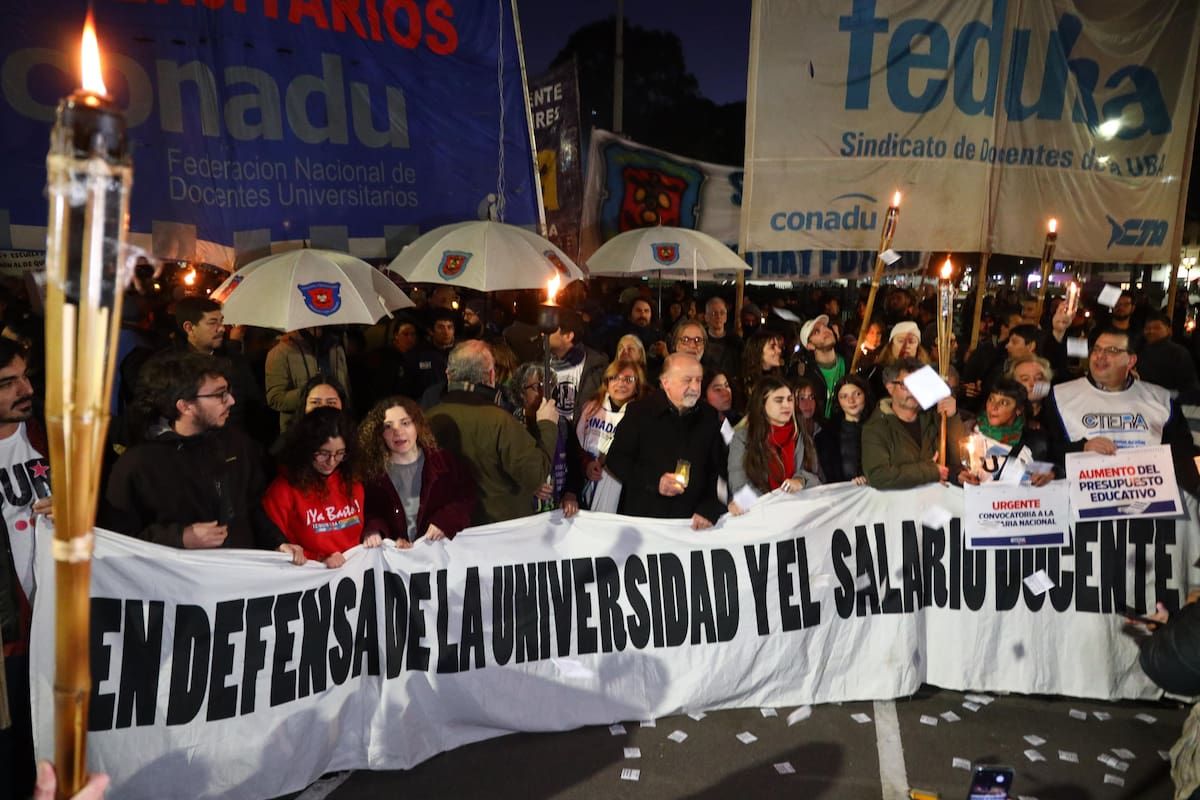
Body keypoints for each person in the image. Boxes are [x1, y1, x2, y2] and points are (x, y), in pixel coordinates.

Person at [102, 351, 306, 562]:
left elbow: (251, 508)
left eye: (229, 391)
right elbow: (116, 541)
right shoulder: (137, 465)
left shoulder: (237, 444)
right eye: (220, 395)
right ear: (185, 406)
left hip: (237, 583)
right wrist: (179, 538)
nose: (232, 401)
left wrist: (277, 542)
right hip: (177, 588)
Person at [1044, 326, 1199, 490]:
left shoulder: (1160, 398)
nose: (1100, 356)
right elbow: (1046, 451)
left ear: (1130, 360)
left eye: (1111, 350)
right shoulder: (1061, 396)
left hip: (1148, 499)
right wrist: (1081, 448)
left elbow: (1182, 451)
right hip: (1084, 501)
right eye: (1096, 349)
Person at [426, 341, 559, 524]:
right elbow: (535, 476)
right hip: (498, 533)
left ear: (449, 374)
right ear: (491, 376)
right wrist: (547, 425)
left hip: (446, 531)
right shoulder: (501, 422)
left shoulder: (426, 420)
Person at [605, 353, 727, 529]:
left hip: (692, 525)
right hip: (645, 523)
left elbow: (718, 470)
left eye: (698, 380)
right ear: (665, 382)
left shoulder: (709, 417)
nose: (694, 387)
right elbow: (616, 459)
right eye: (687, 380)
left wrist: (710, 507)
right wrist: (655, 482)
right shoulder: (640, 413)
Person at [263, 407, 374, 568]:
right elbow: (273, 548)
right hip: (306, 581)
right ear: (307, 448)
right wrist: (319, 559)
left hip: (354, 576)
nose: (331, 461)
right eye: (323, 453)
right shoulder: (284, 490)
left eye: (340, 453)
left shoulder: (353, 482)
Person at [358, 396, 475, 543]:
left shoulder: (444, 462)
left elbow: (466, 499)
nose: (398, 432)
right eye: (388, 426)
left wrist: (446, 521)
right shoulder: (372, 473)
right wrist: (374, 529)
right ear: (379, 433)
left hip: (438, 556)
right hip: (395, 561)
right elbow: (367, 512)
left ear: (417, 425)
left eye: (405, 423)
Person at [861, 356, 965, 489]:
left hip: (936, 504)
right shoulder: (876, 428)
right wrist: (930, 471)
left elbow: (959, 459)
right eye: (905, 385)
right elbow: (878, 476)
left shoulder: (934, 418)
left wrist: (952, 418)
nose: (913, 391)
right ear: (890, 387)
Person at [727, 376, 820, 514]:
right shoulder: (743, 438)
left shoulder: (802, 436)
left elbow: (818, 479)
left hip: (801, 516)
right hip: (764, 517)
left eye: (789, 399)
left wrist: (801, 481)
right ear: (762, 404)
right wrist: (772, 504)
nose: (786, 405)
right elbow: (739, 486)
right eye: (779, 400)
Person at [957, 378, 1056, 486]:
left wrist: (1051, 474)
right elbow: (951, 466)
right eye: (991, 399)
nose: (994, 407)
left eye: (1003, 403)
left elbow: (1054, 468)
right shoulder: (967, 431)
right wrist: (958, 474)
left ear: (1019, 410)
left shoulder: (1034, 441)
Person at [576, 359, 644, 512]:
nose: (621, 383)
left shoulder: (641, 415)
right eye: (615, 377)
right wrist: (586, 463)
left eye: (629, 379)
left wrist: (609, 459)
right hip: (585, 478)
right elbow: (577, 442)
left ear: (637, 386)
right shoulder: (591, 407)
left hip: (618, 486)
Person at [265, 326, 351, 432]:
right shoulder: (280, 352)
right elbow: (275, 398)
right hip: (300, 431)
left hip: (335, 429)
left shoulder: (336, 348)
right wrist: (310, 393)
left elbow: (345, 390)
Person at [547, 309, 608, 426]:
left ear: (568, 336)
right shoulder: (540, 361)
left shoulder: (596, 367)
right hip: (551, 435)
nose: (544, 333)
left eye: (551, 329)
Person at [815, 374, 873, 485]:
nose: (851, 400)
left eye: (857, 394)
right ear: (838, 401)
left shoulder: (878, 426)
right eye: (844, 396)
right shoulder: (827, 435)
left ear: (865, 395)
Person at [796, 313, 848, 420]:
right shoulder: (806, 374)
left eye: (825, 327)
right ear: (810, 346)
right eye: (817, 332)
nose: (826, 331)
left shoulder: (851, 363)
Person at [1138, 310, 1200, 394]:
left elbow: (1190, 388)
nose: (1151, 331)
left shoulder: (1179, 353)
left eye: (1157, 328)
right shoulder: (1140, 350)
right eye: (1147, 328)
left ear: (1169, 330)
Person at [738, 329, 785, 408]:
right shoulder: (743, 384)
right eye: (772, 347)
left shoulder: (781, 380)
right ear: (758, 351)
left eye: (778, 346)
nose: (779, 350)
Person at [702, 296, 741, 380]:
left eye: (722, 313)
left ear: (726, 317)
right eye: (714, 313)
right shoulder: (700, 339)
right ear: (706, 317)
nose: (718, 317)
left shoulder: (736, 341)